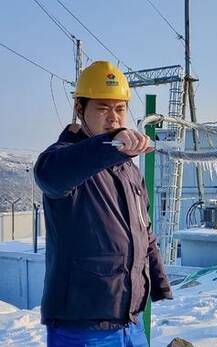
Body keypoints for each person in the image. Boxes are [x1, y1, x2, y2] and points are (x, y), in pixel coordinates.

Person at [34, 61, 173, 347]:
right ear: (79, 109)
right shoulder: (63, 158)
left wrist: (158, 282)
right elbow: (50, 176)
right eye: (102, 108)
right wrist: (111, 142)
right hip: (82, 329)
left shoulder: (129, 170)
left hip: (130, 324)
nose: (113, 118)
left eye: (120, 109)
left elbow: (143, 232)